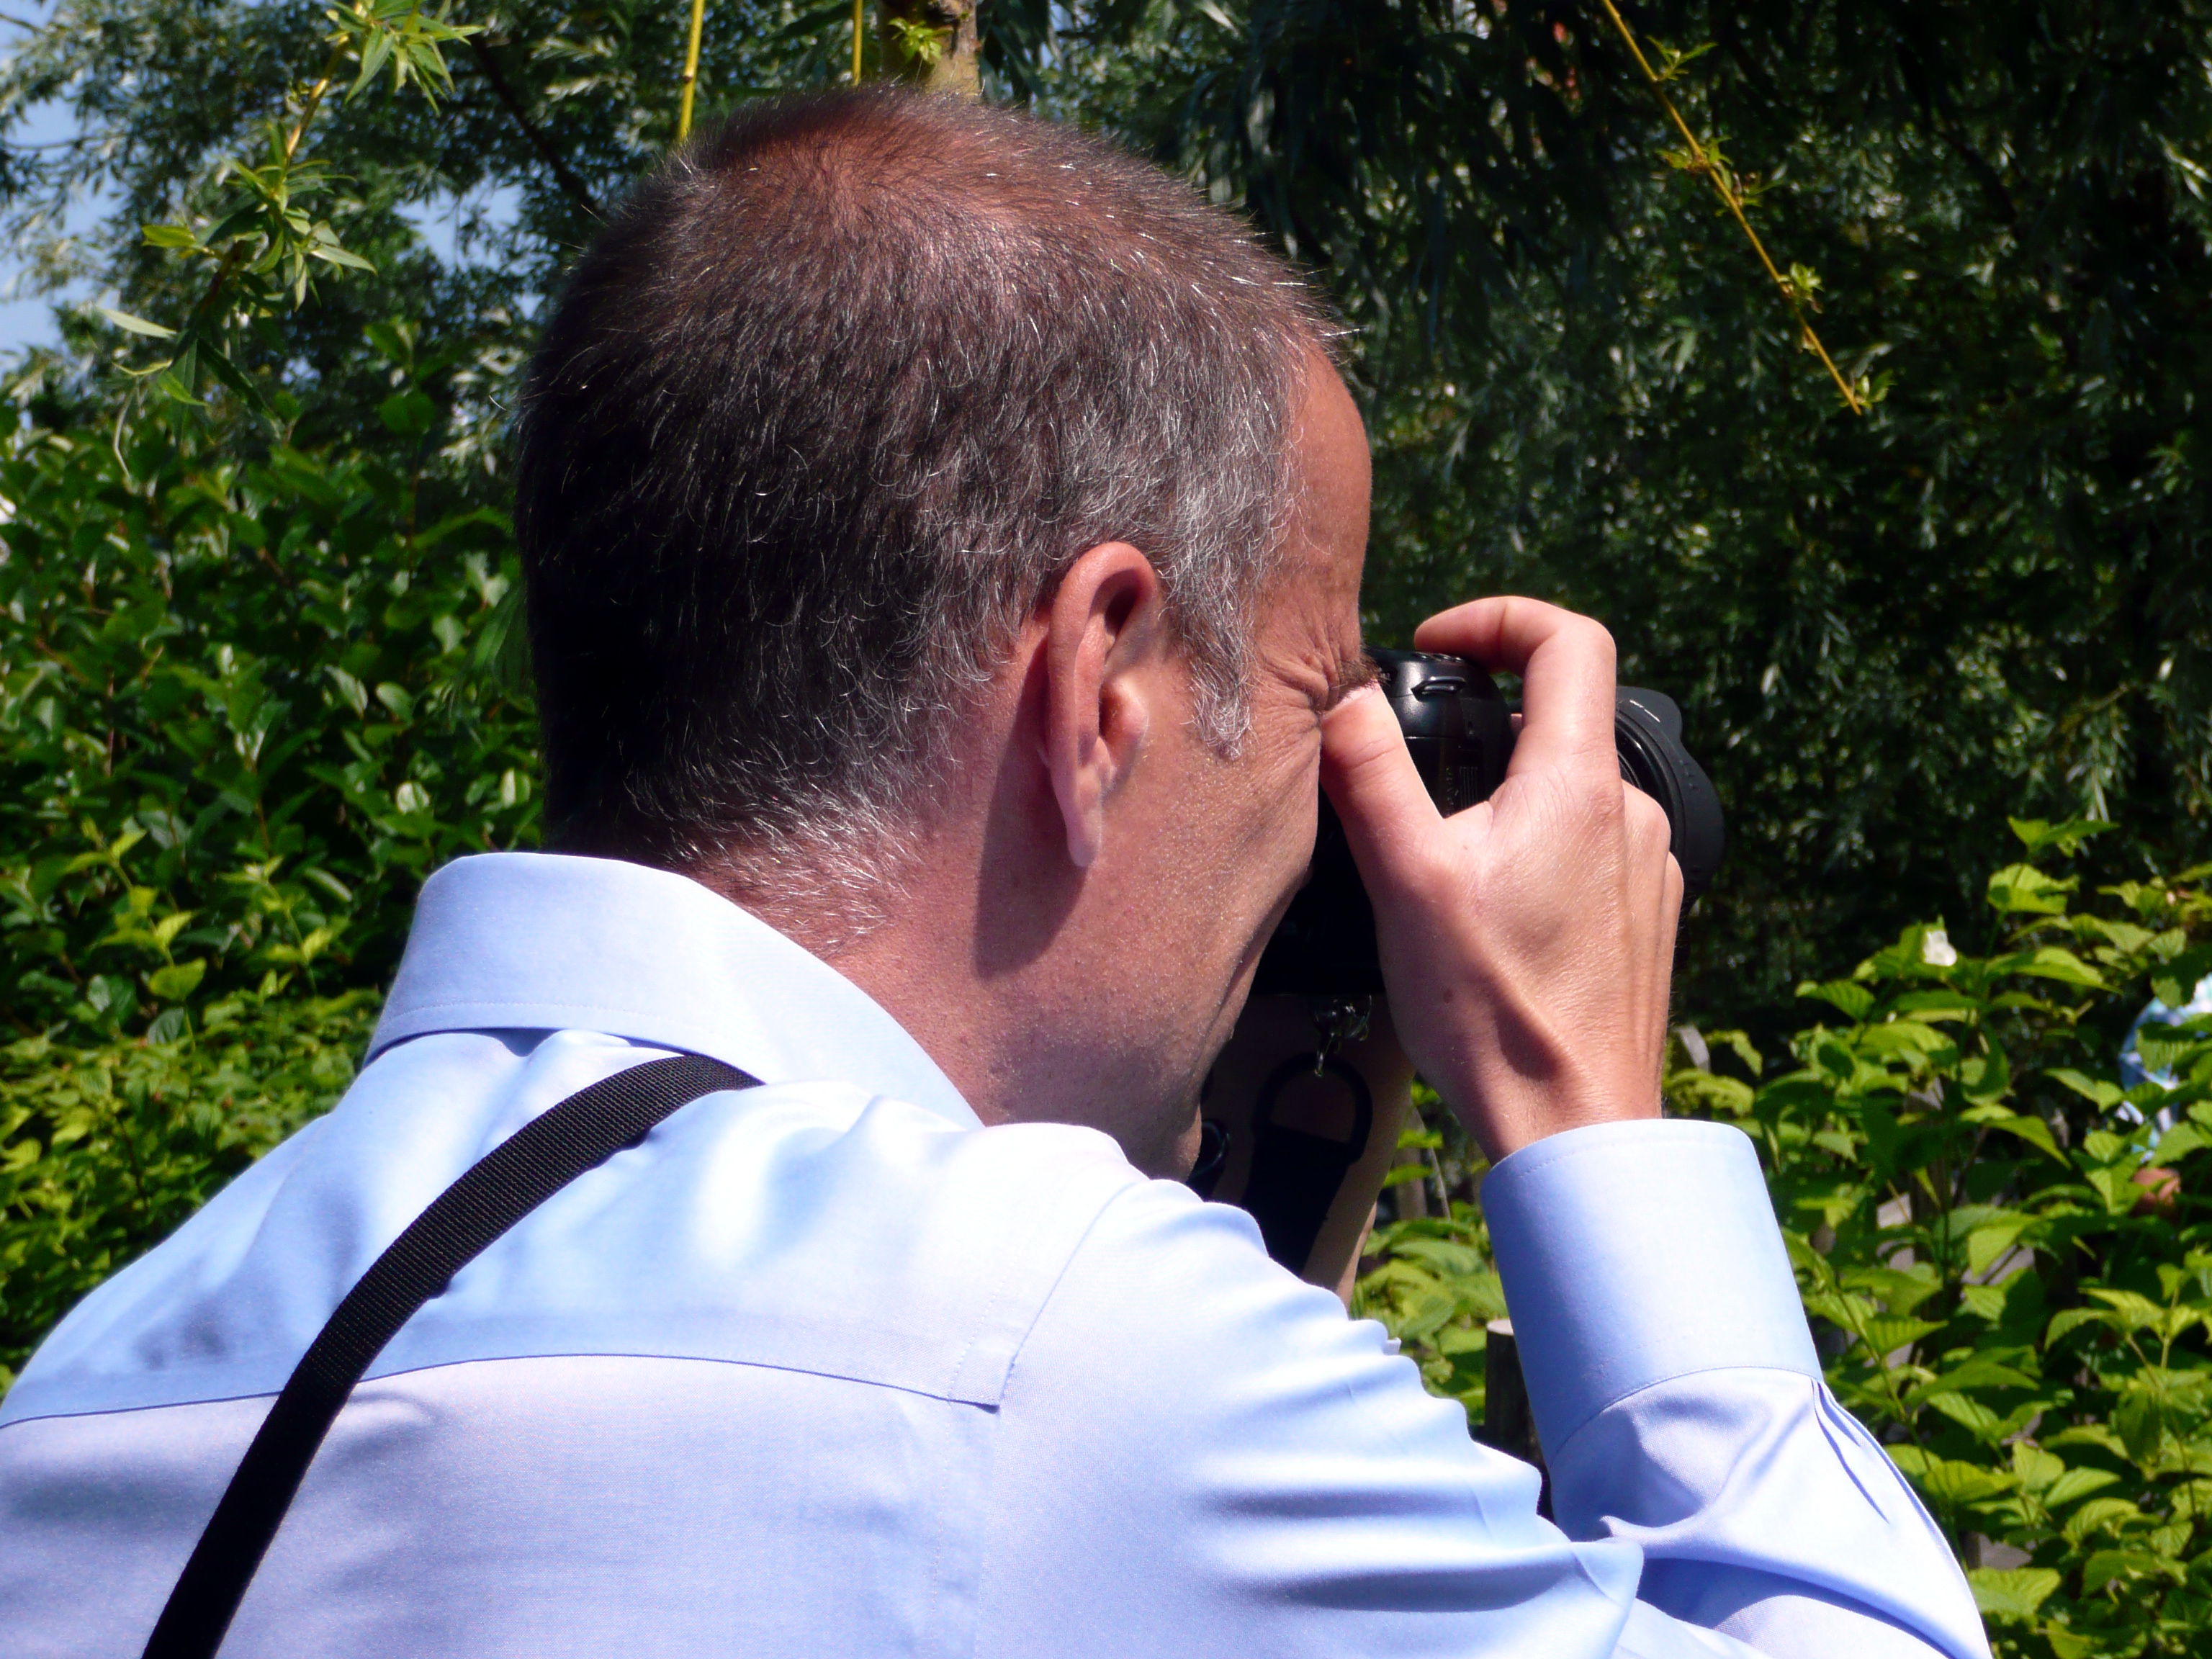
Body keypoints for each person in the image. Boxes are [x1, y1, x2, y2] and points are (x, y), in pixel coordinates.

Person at [0, 90, 1988, 1659]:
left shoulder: (98, 1383)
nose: (1334, 804)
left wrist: (1284, 1144)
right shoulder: (1051, 1353)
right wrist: (1581, 1109)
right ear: (1098, 683)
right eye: (1320, 696)